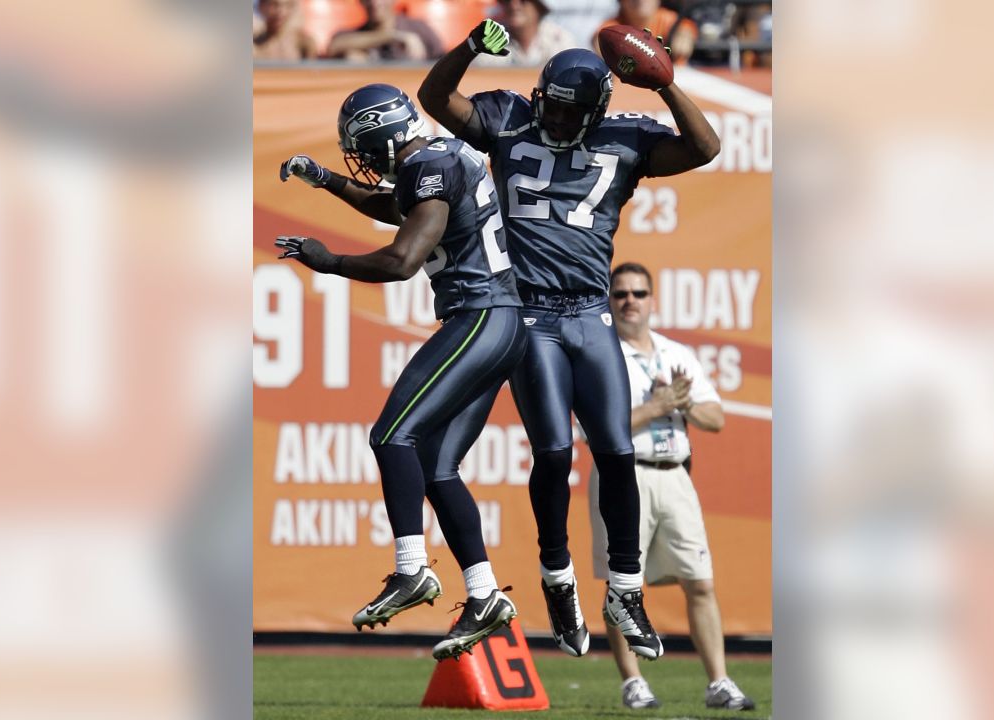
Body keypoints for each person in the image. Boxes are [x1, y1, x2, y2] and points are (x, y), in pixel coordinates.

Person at [419, 25, 720, 661]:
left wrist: (667, 86)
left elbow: (704, 147)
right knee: (554, 451)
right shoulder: (508, 116)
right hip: (527, 312)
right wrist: (471, 47)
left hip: (589, 311)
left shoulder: (625, 136)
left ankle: (626, 589)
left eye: (566, 109)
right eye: (548, 103)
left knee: (615, 448)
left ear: (595, 112)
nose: (553, 117)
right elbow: (435, 95)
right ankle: (557, 576)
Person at [276, 83, 526, 660]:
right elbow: (394, 207)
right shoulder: (437, 157)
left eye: (360, 147)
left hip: (481, 314)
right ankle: (485, 595)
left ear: (382, 137)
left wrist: (329, 261)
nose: (360, 158)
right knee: (437, 468)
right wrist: (324, 179)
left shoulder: (431, 165)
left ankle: (412, 569)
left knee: (391, 435)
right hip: (497, 320)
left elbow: (403, 259)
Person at [589, 262, 757, 710]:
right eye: (621, 293)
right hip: (624, 473)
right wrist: (655, 406)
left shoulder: (675, 353)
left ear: (651, 300)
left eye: (638, 293)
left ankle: (719, 682)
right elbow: (595, 432)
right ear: (609, 298)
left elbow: (715, 418)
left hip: (675, 473)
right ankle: (633, 682)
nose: (630, 301)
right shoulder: (600, 355)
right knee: (622, 585)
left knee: (700, 581)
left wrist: (682, 404)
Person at [327, 0, 444, 61]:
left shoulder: (418, 29)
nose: (374, 2)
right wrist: (390, 36)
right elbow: (334, 46)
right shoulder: (353, 34)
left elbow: (443, 59)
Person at [473, 0, 579, 67]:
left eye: (523, 0)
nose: (514, 5)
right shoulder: (490, 39)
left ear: (540, 7)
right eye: (507, 0)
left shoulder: (560, 39)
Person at [595, 0, 696, 63]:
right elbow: (599, 39)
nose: (640, 0)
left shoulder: (669, 21)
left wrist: (685, 33)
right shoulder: (614, 26)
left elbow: (686, 28)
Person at [253, 0, 320, 61]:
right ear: (261, 6)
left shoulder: (303, 42)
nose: (281, 11)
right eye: (274, 5)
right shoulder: (254, 45)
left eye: (287, 5)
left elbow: (311, 72)